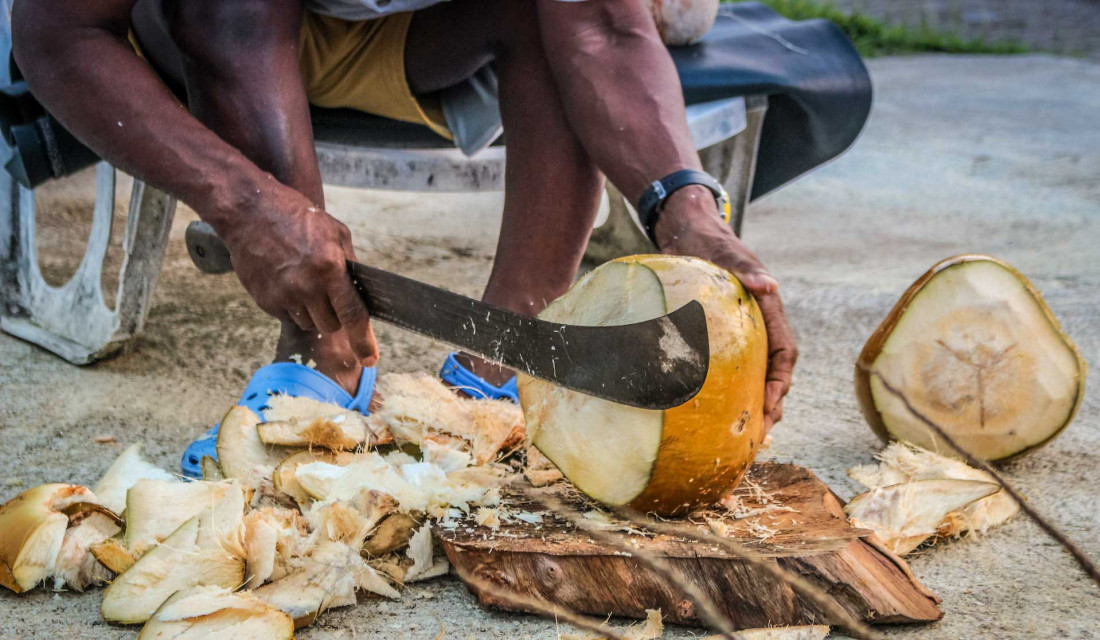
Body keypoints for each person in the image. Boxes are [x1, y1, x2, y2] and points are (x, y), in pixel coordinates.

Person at [12, 0, 796, 476]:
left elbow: (602, 29)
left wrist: (685, 210)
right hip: (210, 29)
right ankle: (318, 345)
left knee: (554, 15)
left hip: (419, 35)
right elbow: (59, 28)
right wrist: (246, 207)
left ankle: (503, 359)